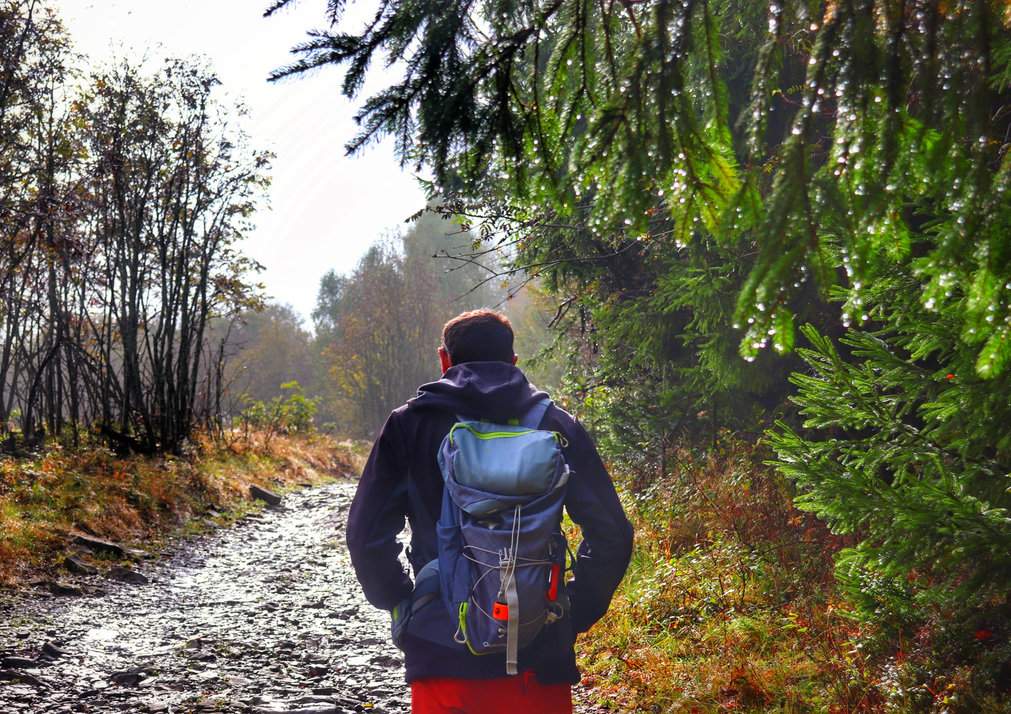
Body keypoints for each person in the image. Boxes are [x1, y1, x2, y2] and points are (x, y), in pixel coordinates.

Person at [346, 309, 634, 713]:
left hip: (440, 646)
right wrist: (572, 611)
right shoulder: (556, 424)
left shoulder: (409, 424)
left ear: (444, 359)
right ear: (514, 362)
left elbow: (366, 535)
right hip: (541, 649)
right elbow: (612, 534)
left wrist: (400, 602)